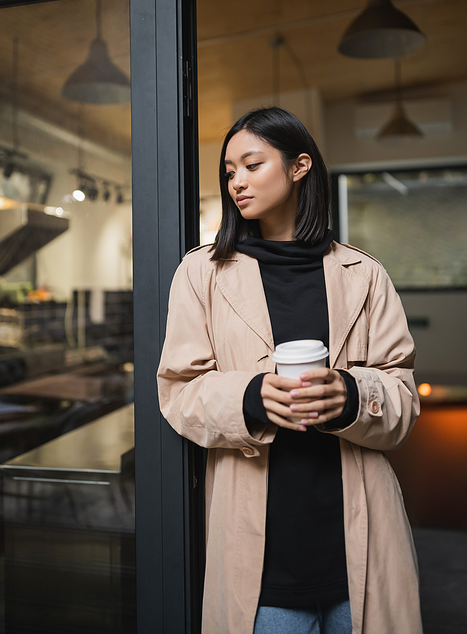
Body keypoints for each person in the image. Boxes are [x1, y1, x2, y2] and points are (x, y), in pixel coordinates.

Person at [157, 107, 422, 634]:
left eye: (252, 165)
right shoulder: (200, 273)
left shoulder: (364, 274)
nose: (237, 182)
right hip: (262, 557)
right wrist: (250, 398)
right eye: (229, 171)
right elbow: (178, 392)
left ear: (300, 166)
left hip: (359, 544)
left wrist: (350, 395)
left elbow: (403, 397)